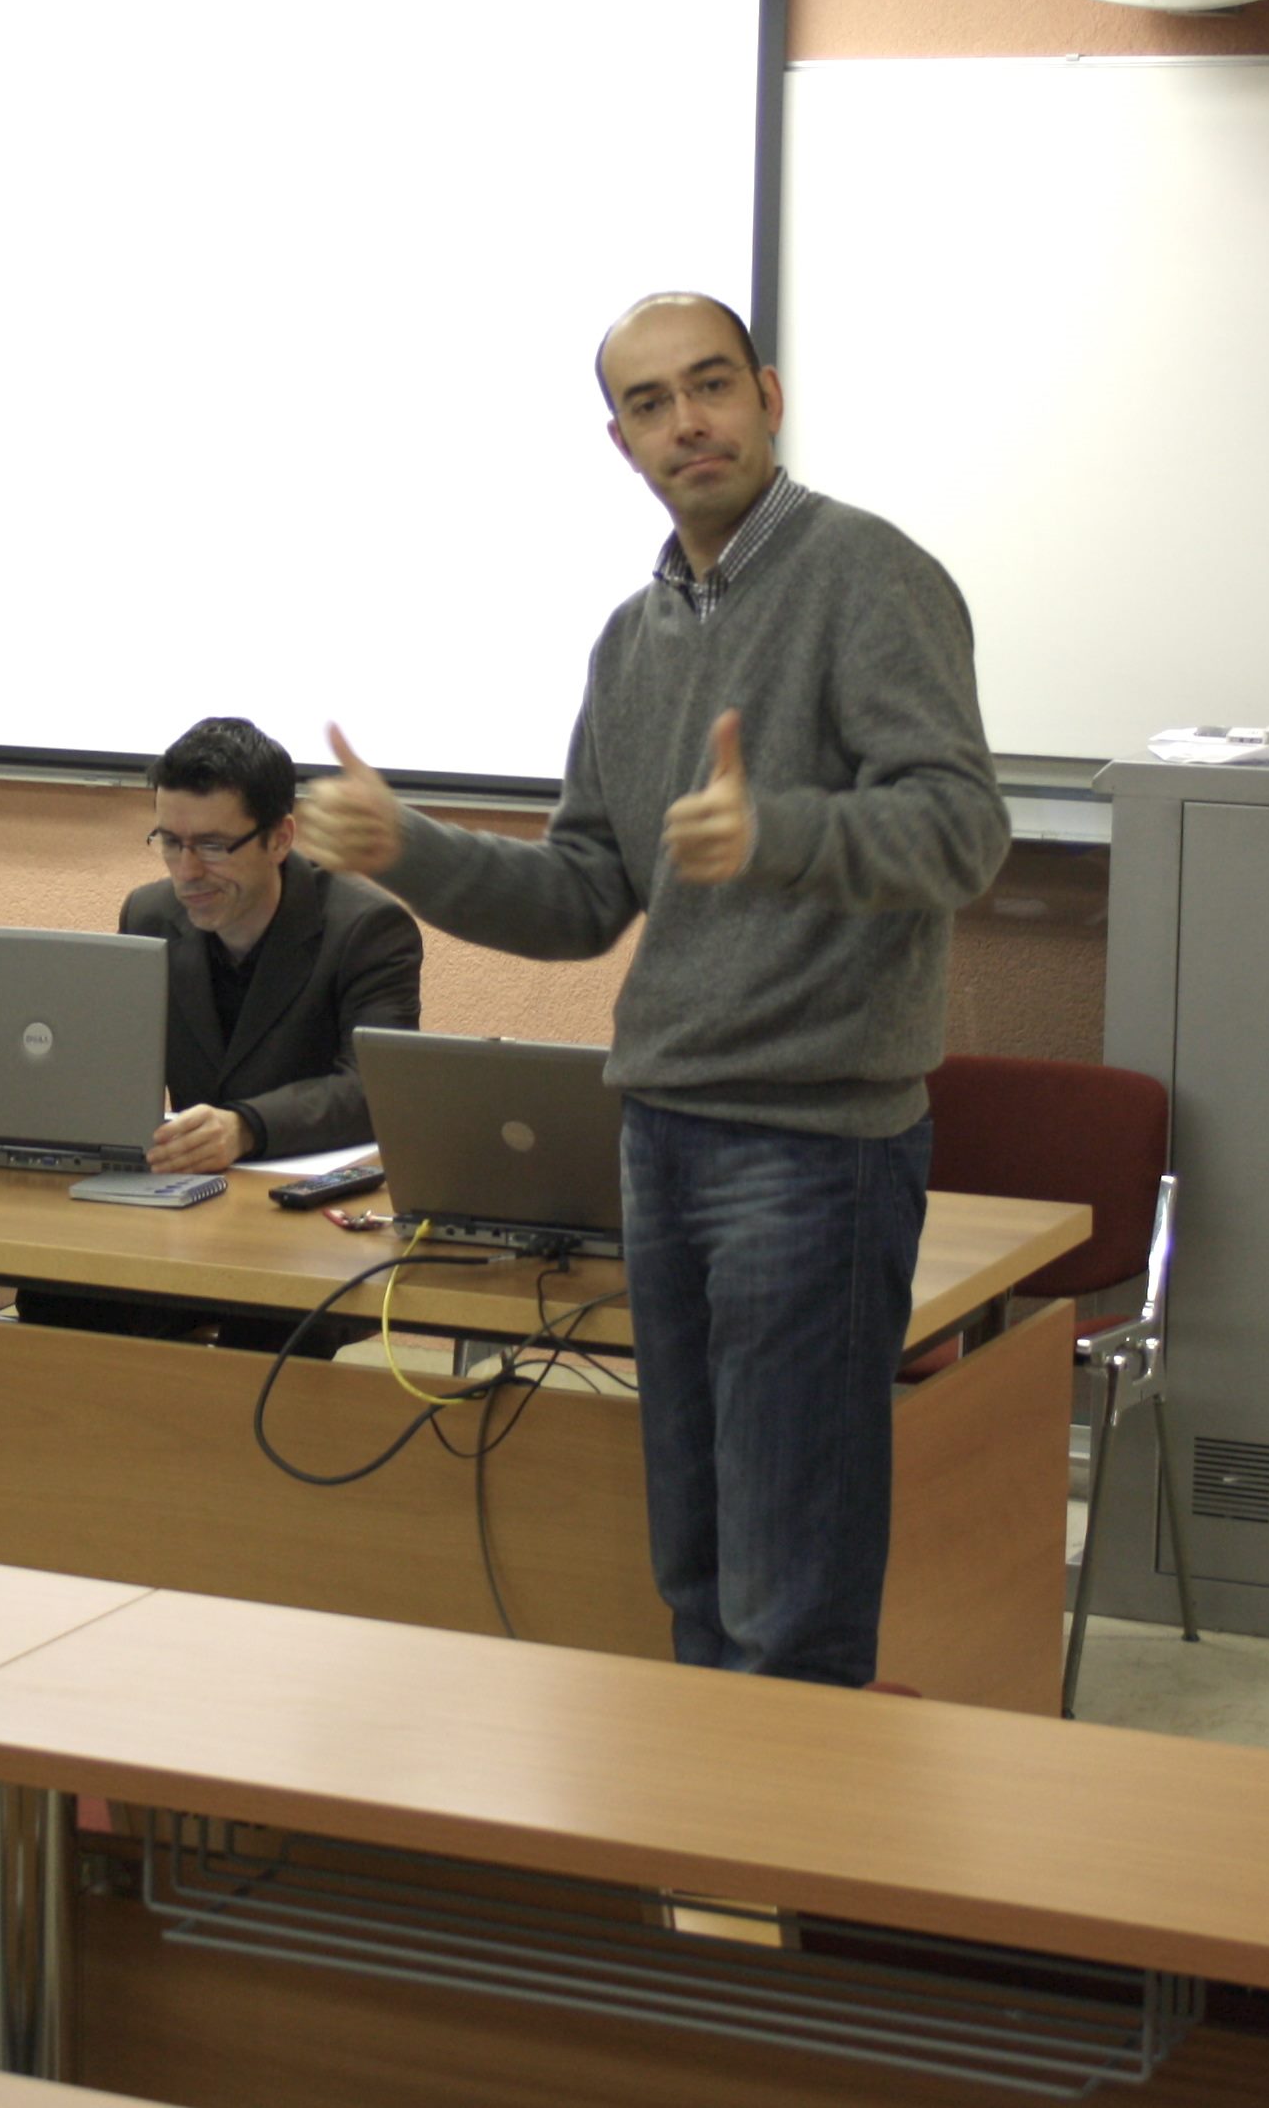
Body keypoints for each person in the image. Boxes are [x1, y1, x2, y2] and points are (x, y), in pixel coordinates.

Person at [299, 292, 1003, 1688]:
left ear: (767, 397)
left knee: (787, 1586)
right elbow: (579, 896)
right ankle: (710, 1823)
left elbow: (962, 831)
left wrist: (778, 830)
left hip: (813, 1146)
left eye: (709, 385)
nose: (686, 422)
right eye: (648, 402)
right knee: (691, 1559)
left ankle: (780, 1826)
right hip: (659, 1132)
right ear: (617, 441)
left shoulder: (868, 575)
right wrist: (407, 850)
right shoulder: (631, 639)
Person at [17, 715, 421, 1349]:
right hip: (189, 1200)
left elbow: (374, 1090)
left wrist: (246, 1127)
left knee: (271, 1324)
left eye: (211, 846)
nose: (186, 871)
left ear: (280, 838)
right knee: (58, 1294)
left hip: (306, 1221)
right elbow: (121, 1064)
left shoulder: (367, 929)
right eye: (169, 842)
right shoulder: (149, 913)